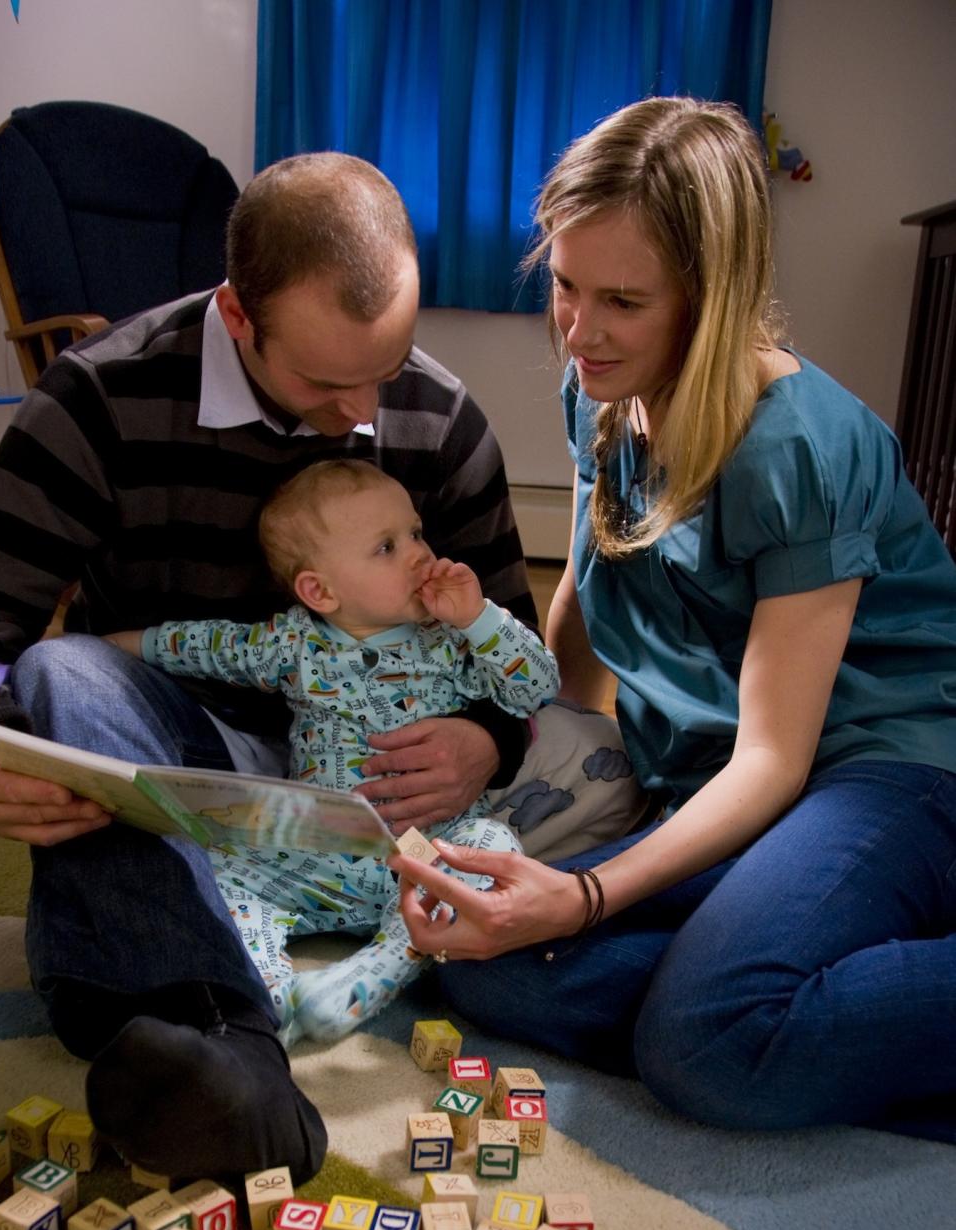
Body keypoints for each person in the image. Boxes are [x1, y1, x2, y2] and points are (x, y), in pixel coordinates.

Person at [0, 151, 644, 1183]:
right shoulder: (96, 399)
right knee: (61, 678)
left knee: (560, 769)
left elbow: (507, 649)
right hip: (173, 751)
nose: (358, 411)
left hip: (366, 784)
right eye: (321, 378)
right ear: (237, 312)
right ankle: (232, 1044)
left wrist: (484, 741)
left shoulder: (437, 421)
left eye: (382, 369)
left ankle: (135, 1001)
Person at [393, 96, 956, 1143]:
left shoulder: (794, 449)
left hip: (883, 767)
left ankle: (769, 992)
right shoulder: (596, 391)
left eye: (623, 301)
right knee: (492, 973)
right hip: (717, 772)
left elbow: (776, 760)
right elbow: (587, 600)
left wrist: (583, 896)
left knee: (703, 1044)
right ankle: (808, 988)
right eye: (564, 283)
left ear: (711, 296)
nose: (580, 328)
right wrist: (542, 785)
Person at [106, 457, 560, 1044]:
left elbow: (537, 688)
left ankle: (375, 972)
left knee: (493, 849)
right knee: (213, 863)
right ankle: (262, 986)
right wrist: (122, 645)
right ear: (319, 590)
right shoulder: (293, 641)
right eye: (387, 547)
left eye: (417, 533)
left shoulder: (452, 639)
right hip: (316, 851)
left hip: (427, 852)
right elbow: (209, 646)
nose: (421, 553)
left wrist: (479, 619)